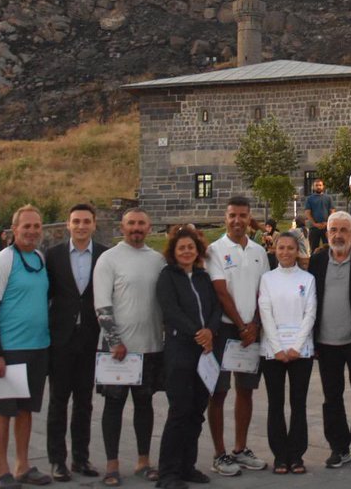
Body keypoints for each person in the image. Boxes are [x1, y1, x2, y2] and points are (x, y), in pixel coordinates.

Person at [93, 208, 167, 487]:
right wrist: (114, 341)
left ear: (149, 227)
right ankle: (112, 465)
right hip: (118, 350)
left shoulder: (157, 260)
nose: (136, 228)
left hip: (149, 346)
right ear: (122, 227)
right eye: (131, 223)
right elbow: (102, 304)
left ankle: (143, 461)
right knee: (113, 407)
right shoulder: (109, 259)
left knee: (145, 405)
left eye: (141, 223)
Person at [0, 205, 53, 488]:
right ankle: (2, 471)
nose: (32, 231)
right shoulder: (3, 261)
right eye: (26, 226)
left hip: (38, 347)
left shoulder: (39, 258)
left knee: (26, 410)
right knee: (4, 410)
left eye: (36, 226)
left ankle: (22, 465)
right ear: (14, 229)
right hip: (11, 349)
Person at [206, 197, 269, 475]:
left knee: (246, 390)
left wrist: (254, 324)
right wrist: (242, 325)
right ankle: (220, 454)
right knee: (219, 392)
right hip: (225, 330)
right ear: (225, 217)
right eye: (232, 215)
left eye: (242, 215)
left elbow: (263, 290)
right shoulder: (215, 250)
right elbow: (220, 292)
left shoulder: (259, 251)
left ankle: (240, 449)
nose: (237, 220)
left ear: (249, 218)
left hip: (251, 330)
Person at [45, 203, 108, 481]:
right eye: (76, 221)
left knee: (84, 402)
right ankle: (57, 460)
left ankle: (81, 458)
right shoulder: (53, 255)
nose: (81, 226)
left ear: (94, 224)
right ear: (67, 225)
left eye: (86, 221)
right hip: (61, 338)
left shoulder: (104, 255)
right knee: (58, 401)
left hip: (90, 338)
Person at [156, 226, 221, 489]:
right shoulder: (167, 277)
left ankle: (187, 466)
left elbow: (215, 308)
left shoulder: (203, 277)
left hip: (204, 352)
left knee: (196, 411)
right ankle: (167, 472)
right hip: (180, 350)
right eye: (181, 248)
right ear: (173, 251)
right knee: (179, 411)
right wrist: (198, 333)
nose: (186, 251)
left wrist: (210, 331)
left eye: (190, 247)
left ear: (198, 251)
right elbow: (170, 311)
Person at [308, 211, 351, 470]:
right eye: (333, 230)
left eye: (343, 230)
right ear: (327, 234)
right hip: (326, 343)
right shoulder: (317, 261)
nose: (338, 235)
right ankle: (339, 448)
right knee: (331, 398)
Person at [257, 232, 316, 474]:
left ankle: (297, 455)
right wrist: (278, 348)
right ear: (275, 250)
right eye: (281, 248)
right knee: (276, 404)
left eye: (290, 248)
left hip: (300, 351)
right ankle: (280, 456)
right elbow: (265, 312)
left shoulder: (308, 279)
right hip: (274, 351)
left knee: (298, 404)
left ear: (297, 250)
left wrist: (296, 347)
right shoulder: (267, 279)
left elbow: (310, 314)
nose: (285, 252)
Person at [303, 179, 334, 253]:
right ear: (313, 187)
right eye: (316, 185)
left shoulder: (328, 198)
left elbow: (332, 211)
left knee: (328, 249)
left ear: (323, 186)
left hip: (326, 227)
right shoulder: (309, 199)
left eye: (320, 185)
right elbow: (307, 212)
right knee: (314, 249)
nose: (318, 187)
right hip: (314, 228)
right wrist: (315, 224)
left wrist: (327, 223)